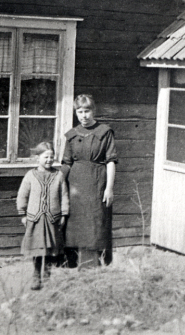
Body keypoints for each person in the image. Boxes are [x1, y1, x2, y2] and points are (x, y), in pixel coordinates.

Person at [62, 94, 117, 268]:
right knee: (74, 222)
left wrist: (109, 188)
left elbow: (110, 162)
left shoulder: (104, 132)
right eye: (80, 111)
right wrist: (56, 183)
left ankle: (91, 266)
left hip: (96, 183)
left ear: (93, 111)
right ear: (76, 112)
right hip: (75, 185)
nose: (84, 115)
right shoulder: (71, 135)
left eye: (87, 111)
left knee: (94, 221)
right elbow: (66, 163)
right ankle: (71, 264)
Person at [16, 141, 69, 290]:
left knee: (51, 250)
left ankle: (47, 276)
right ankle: (36, 276)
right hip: (36, 219)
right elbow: (22, 195)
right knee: (37, 250)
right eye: (46, 157)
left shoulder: (58, 175)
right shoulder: (30, 176)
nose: (49, 160)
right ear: (37, 158)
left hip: (53, 219)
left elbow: (64, 195)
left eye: (52, 157)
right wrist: (23, 214)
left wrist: (64, 213)